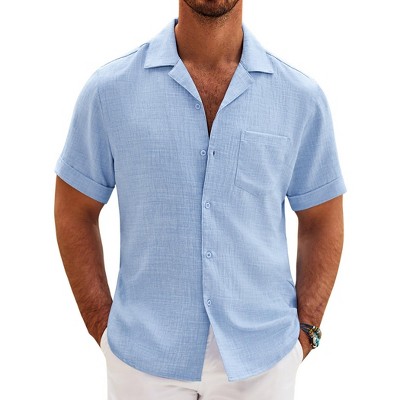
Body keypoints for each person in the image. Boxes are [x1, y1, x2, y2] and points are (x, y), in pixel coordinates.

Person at [54, 1, 346, 399]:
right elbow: (75, 209)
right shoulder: (110, 91)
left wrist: (307, 331)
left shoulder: (300, 98)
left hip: (264, 362)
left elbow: (321, 217)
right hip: (142, 360)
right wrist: (100, 324)